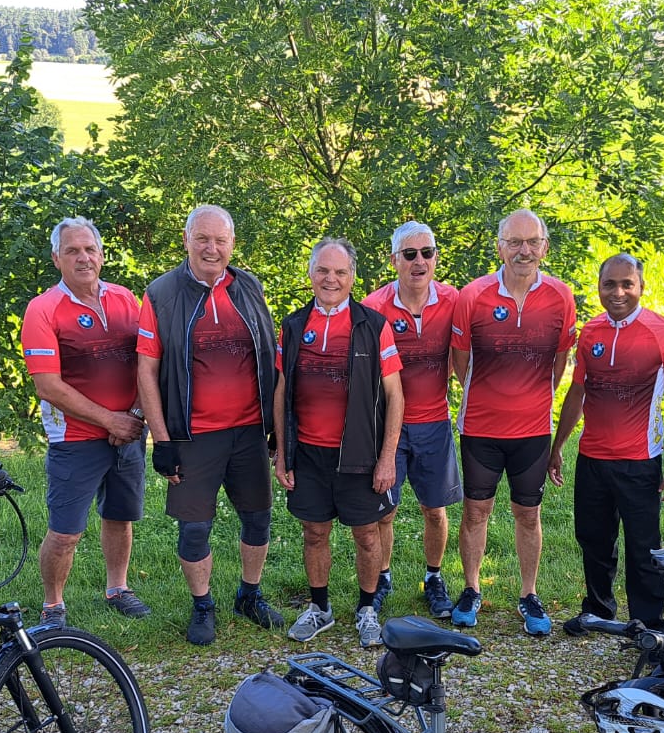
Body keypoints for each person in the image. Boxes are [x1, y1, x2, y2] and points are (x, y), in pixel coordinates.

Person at [138, 205, 284, 646]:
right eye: (202, 238)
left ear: (232, 244)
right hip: (193, 435)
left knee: (258, 518)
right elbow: (146, 371)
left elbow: (270, 357)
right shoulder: (161, 293)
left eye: (220, 240)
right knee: (194, 527)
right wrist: (161, 440)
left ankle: (249, 595)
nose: (211, 248)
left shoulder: (249, 286)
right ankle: (203, 604)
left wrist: (276, 425)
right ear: (186, 240)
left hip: (249, 430)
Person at [550, 254, 664, 631]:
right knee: (593, 539)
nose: (618, 292)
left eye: (627, 284)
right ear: (599, 288)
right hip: (592, 458)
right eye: (609, 284)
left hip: (640, 460)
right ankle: (598, 611)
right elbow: (577, 391)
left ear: (641, 287)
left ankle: (648, 622)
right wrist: (558, 446)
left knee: (643, 544)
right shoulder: (590, 332)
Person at [449, 209, 578, 635]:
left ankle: (528, 593)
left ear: (545, 247)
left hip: (533, 430)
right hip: (480, 427)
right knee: (476, 511)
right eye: (515, 242)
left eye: (532, 242)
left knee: (528, 513)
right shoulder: (473, 295)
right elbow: (460, 362)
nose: (524, 251)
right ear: (500, 247)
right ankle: (471, 588)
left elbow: (559, 363)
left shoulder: (561, 296)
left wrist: (530, 399)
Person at [274, 239, 404, 648]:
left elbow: (396, 396)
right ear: (311, 273)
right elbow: (281, 391)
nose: (331, 279)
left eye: (340, 272)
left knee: (366, 534)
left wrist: (387, 458)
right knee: (314, 532)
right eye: (323, 271)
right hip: (308, 453)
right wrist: (282, 453)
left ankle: (367, 609)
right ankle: (320, 608)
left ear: (352, 277)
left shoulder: (373, 325)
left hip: (360, 454)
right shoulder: (294, 326)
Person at [20, 217, 149, 627]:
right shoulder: (43, 309)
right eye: (72, 250)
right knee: (65, 532)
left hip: (129, 430)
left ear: (102, 255)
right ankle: (53, 605)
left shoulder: (125, 298)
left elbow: (149, 362)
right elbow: (48, 386)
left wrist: (135, 416)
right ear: (56, 258)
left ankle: (118, 588)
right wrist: (110, 420)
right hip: (74, 438)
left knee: (120, 516)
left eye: (90, 249)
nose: (83, 258)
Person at [361, 221, 462, 619]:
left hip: (435, 420)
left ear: (435, 257)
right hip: (388, 426)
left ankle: (433, 578)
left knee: (434, 509)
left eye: (427, 252)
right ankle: (382, 576)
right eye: (409, 254)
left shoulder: (454, 300)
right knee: (383, 511)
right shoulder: (374, 307)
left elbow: (465, 355)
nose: (419, 261)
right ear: (394, 260)